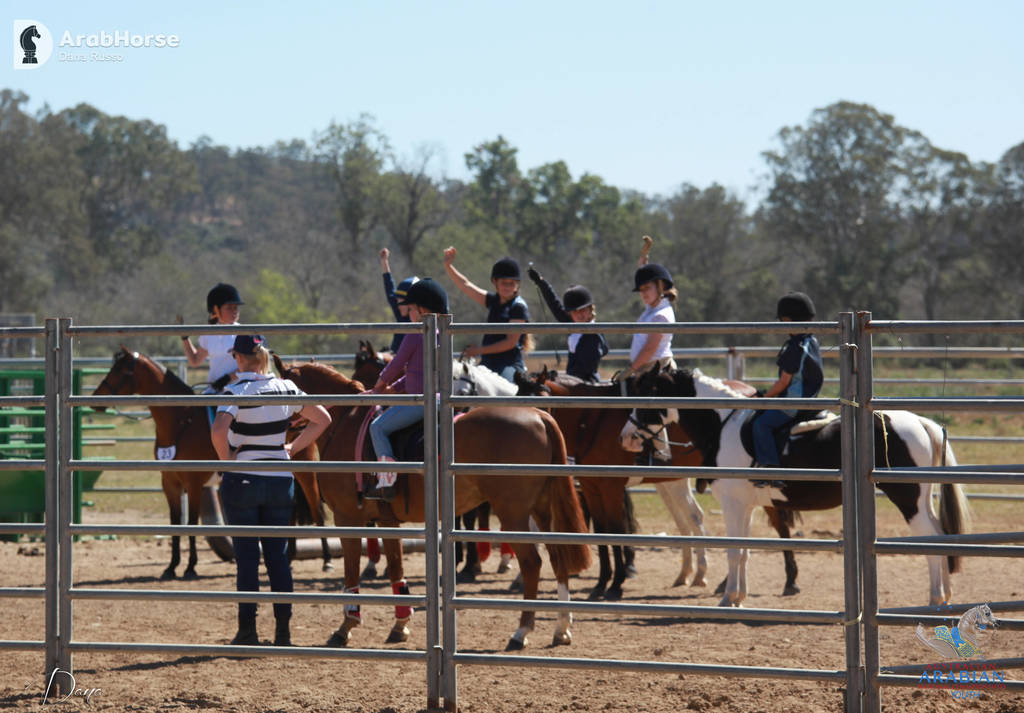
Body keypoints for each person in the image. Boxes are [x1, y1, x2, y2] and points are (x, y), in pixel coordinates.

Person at [211, 335, 332, 646]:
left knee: (247, 558)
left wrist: (228, 462)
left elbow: (218, 430)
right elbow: (323, 419)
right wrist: (292, 447)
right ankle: (283, 632)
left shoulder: (236, 391)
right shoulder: (286, 388)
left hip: (244, 479)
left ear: (238, 358)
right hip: (280, 478)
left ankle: (248, 631)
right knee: (278, 557)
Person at [367, 278, 449, 501]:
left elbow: (396, 364)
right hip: (441, 398)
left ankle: (387, 481)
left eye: (411, 309)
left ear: (421, 310)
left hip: (420, 402)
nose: (408, 313)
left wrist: (379, 385)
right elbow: (416, 372)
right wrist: (392, 388)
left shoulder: (415, 334)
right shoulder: (442, 333)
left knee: (377, 427)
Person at [752, 292, 823, 486]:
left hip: (793, 403)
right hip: (811, 400)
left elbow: (784, 382)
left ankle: (770, 470)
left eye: (783, 321)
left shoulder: (795, 347)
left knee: (761, 424)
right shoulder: (812, 342)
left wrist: (764, 398)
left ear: (787, 320)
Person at [443, 247, 531, 383]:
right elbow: (466, 285)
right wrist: (448, 266)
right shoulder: (494, 301)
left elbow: (510, 342)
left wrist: (479, 350)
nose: (507, 286)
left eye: (512, 283)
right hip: (488, 362)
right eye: (503, 282)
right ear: (495, 282)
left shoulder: (518, 307)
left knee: (506, 391)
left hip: (509, 364)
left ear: (517, 285)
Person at [526, 265, 608, 382]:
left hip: (586, 385)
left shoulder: (593, 336)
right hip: (574, 381)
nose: (579, 314)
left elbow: (584, 370)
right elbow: (555, 305)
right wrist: (541, 282)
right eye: (575, 311)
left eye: (583, 310)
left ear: (590, 309)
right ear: (570, 314)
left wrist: (560, 376)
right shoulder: (574, 324)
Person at [182, 284, 243, 423]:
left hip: (238, 390)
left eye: (236, 307)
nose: (235, 311)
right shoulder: (208, 332)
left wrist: (228, 378)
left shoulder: (243, 332)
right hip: (214, 392)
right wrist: (185, 338)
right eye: (229, 307)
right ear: (216, 309)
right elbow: (195, 360)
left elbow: (251, 365)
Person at [379, 247, 419, 353]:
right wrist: (384, 261)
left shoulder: (423, 322)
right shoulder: (400, 312)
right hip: (396, 360)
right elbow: (389, 287)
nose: (398, 303)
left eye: (402, 302)